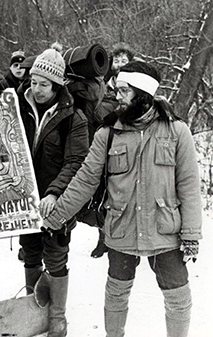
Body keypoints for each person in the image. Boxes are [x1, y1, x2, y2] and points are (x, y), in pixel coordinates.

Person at [44, 61, 202, 337]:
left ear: (142, 93)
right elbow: (85, 180)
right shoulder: (107, 133)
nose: (117, 96)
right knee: (116, 293)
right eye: (117, 90)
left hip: (165, 231)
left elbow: (188, 187)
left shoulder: (177, 131)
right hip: (120, 229)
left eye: (124, 91)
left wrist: (190, 235)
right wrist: (56, 216)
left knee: (178, 297)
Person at [18, 43, 90, 336]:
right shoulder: (20, 107)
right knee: (30, 253)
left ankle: (57, 319)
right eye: (33, 82)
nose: (37, 89)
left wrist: (54, 193)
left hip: (56, 201)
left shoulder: (74, 118)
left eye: (44, 84)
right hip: (25, 199)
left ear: (58, 84)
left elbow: (76, 161)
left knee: (56, 255)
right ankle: (33, 312)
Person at [90, 42, 136, 258]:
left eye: (123, 60)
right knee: (103, 195)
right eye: (116, 60)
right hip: (103, 142)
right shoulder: (103, 85)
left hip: (128, 145)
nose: (119, 64)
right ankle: (103, 237)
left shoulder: (138, 85)